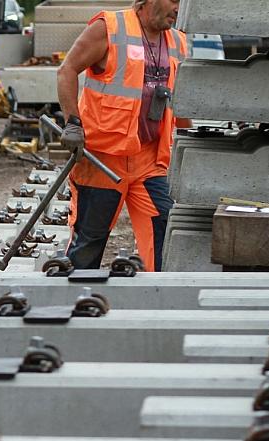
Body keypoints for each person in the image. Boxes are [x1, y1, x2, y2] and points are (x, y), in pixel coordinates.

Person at [56, 0, 191, 272]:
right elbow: (67, 70)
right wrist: (73, 124)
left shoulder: (178, 41)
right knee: (89, 240)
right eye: (174, 0)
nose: (179, 8)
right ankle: (78, 293)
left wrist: (191, 139)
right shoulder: (109, 28)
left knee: (165, 230)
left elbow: (181, 98)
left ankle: (159, 293)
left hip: (150, 159)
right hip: (103, 159)